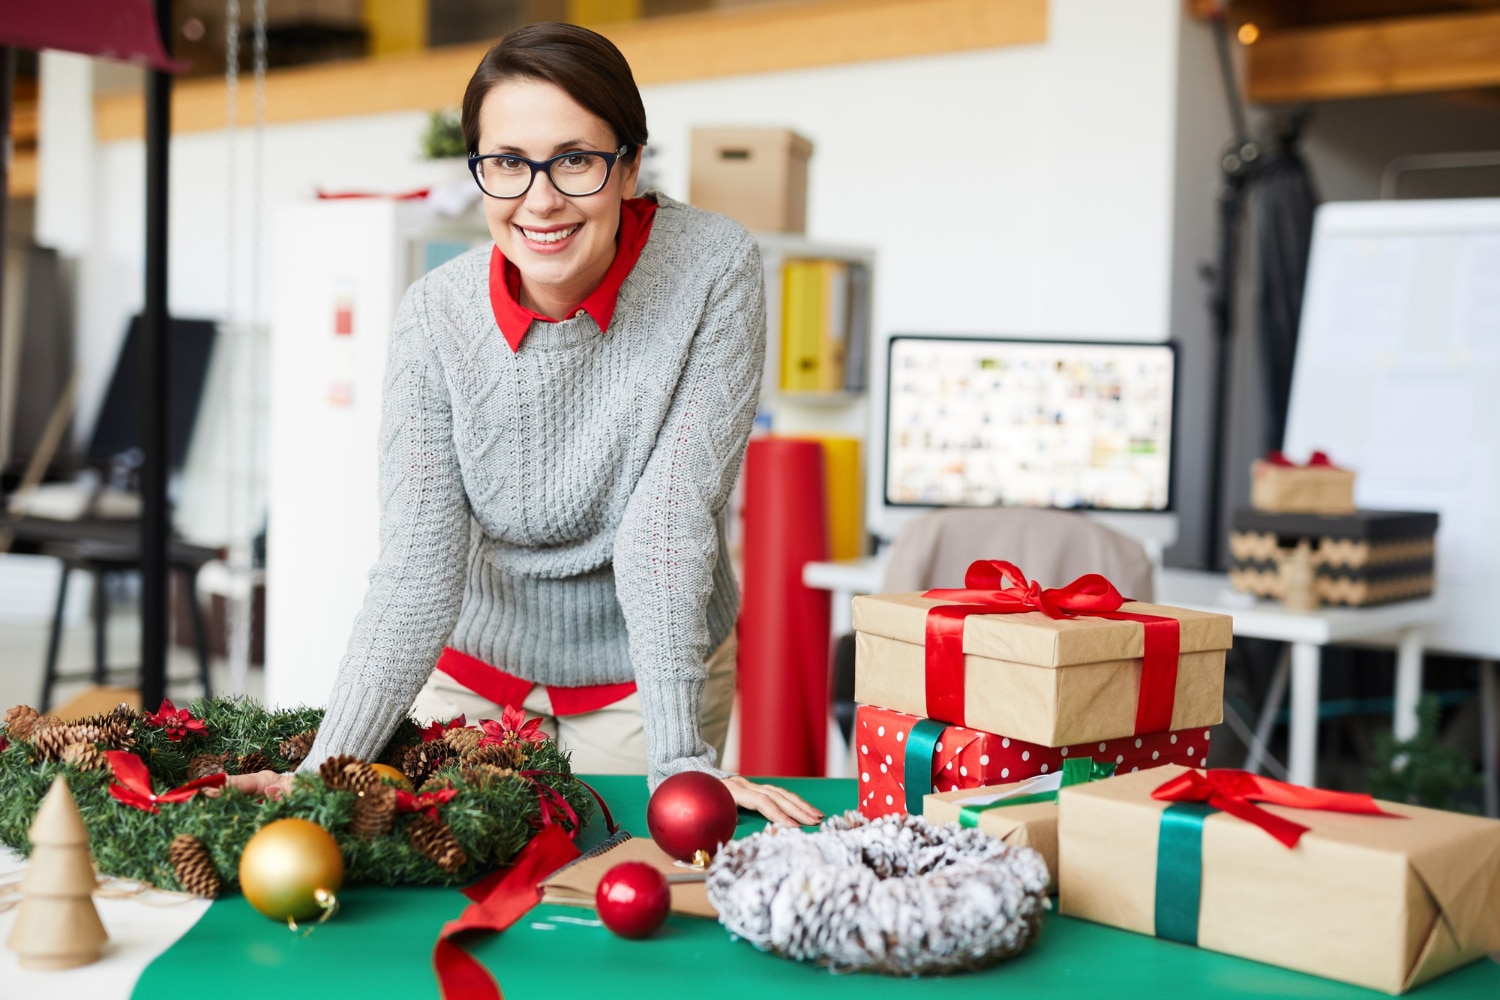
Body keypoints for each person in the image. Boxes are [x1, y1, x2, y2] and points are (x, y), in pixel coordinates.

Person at [231, 22, 821, 827]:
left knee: (624, 901)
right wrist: (324, 767)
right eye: (507, 164)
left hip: (645, 680)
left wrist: (681, 763)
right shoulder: (436, 316)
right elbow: (417, 560)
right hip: (475, 676)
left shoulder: (712, 269)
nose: (539, 200)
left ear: (631, 164)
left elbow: (668, 520)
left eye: (575, 159)